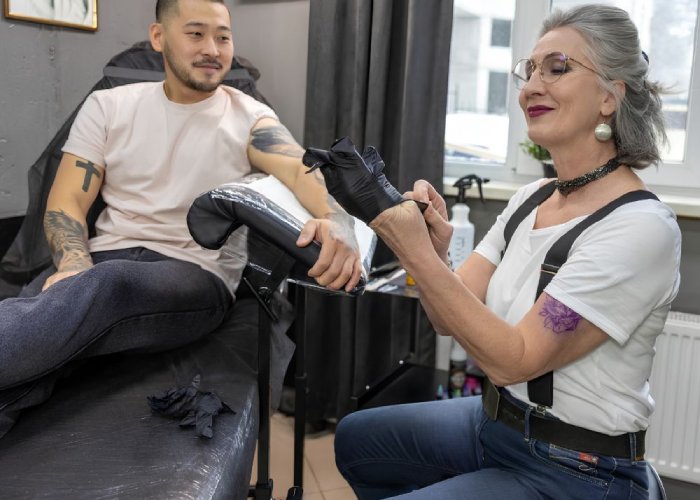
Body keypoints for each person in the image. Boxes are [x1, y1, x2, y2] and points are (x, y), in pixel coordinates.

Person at [333, 4, 681, 499]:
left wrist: (413, 251)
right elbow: (446, 320)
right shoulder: (530, 200)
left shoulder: (639, 227)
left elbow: (515, 361)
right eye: (530, 70)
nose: (531, 87)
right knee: (356, 438)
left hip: (576, 468)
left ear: (610, 96)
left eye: (556, 68)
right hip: (495, 423)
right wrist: (435, 253)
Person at [0, 0, 361, 438]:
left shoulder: (250, 117)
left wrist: (337, 218)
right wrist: (74, 266)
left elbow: (299, 170)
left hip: (192, 273)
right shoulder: (108, 105)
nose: (212, 48)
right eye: (195, 34)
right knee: (43, 327)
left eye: (223, 36)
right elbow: (66, 203)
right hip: (101, 259)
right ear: (159, 37)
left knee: (105, 287)